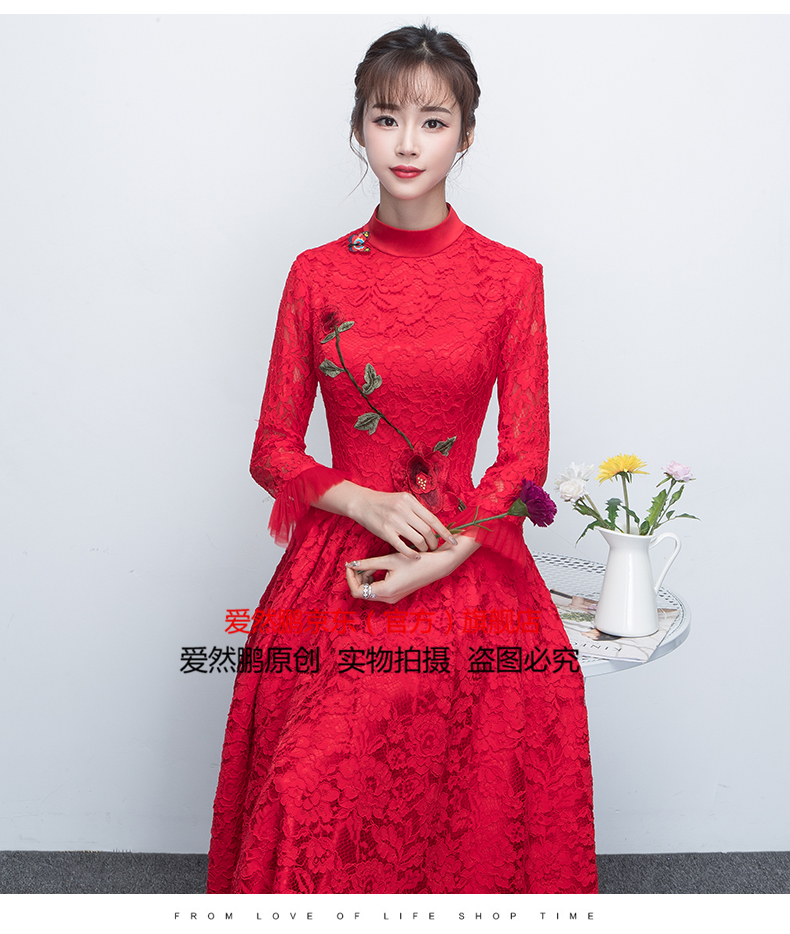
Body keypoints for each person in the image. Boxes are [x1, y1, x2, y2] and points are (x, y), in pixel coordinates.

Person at [207, 24, 597, 895]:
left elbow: (524, 453)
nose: (408, 143)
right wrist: (361, 501)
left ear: (467, 135)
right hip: (340, 565)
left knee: (466, 797)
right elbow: (272, 451)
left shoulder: (512, 278)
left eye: (433, 121)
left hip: (468, 558)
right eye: (387, 119)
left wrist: (450, 551)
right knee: (303, 789)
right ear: (359, 129)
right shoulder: (316, 275)